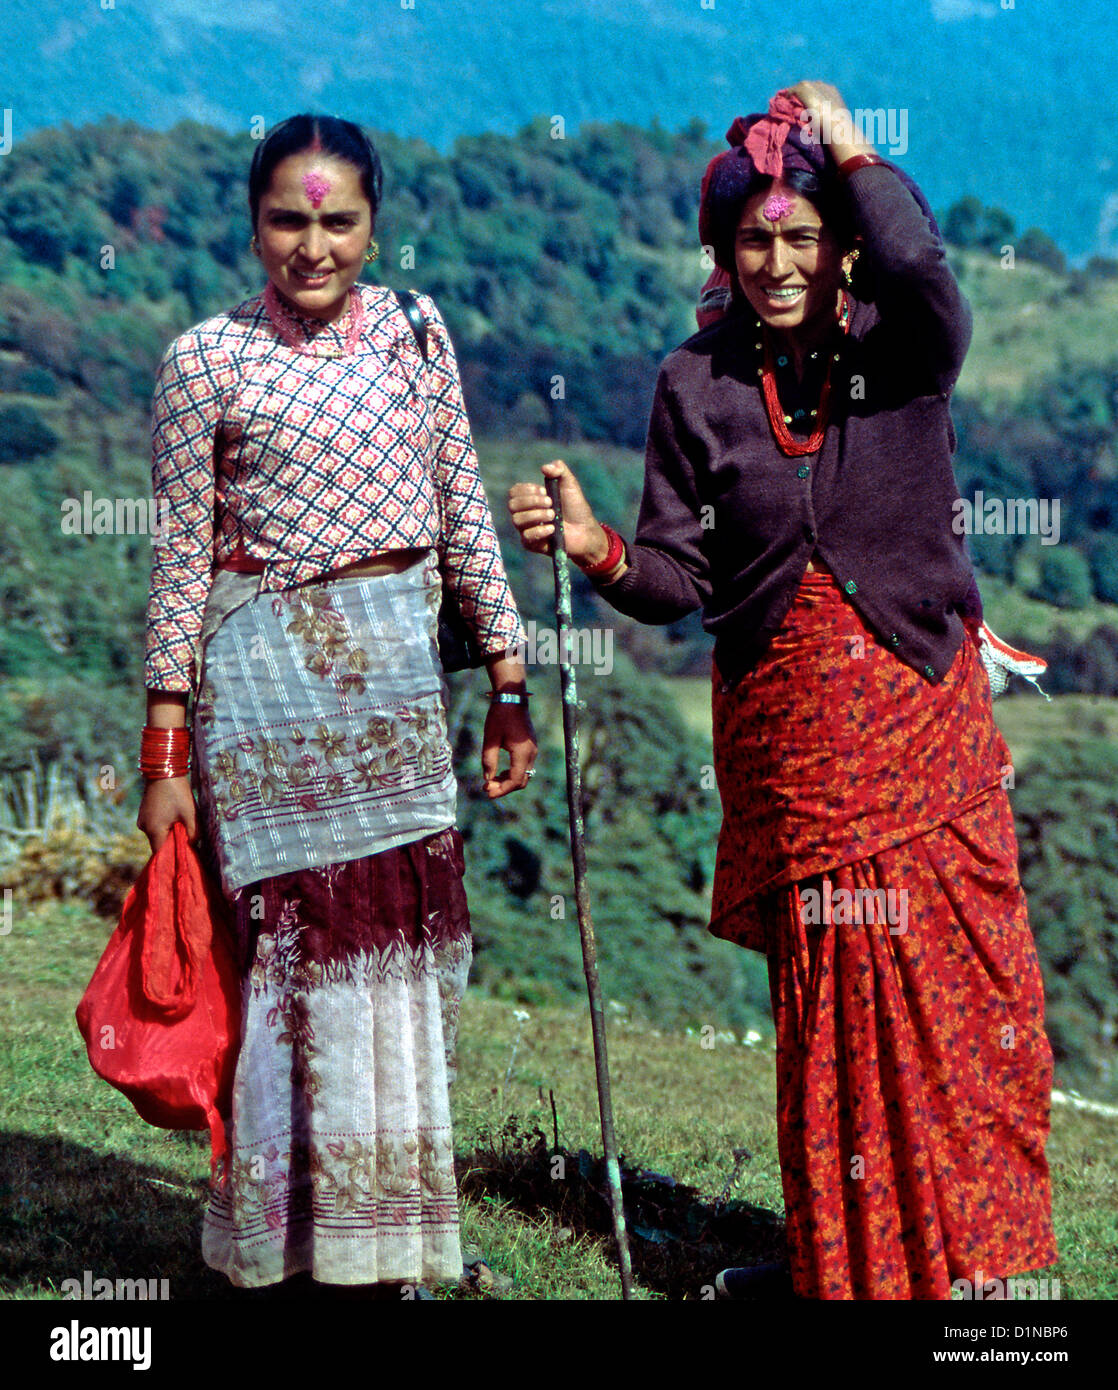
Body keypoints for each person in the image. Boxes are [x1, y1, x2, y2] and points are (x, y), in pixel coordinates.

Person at [508, 82, 1057, 1301]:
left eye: (801, 236)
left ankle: (975, 1274)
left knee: (963, 996)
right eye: (752, 240)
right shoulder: (694, 385)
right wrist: (596, 545)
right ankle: (846, 1266)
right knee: (835, 1016)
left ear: (840, 243)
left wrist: (851, 143)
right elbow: (673, 572)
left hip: (917, 714)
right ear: (722, 250)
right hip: (790, 747)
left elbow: (922, 267)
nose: (774, 262)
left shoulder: (900, 348)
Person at [137, 113, 537, 1293]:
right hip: (263, 693)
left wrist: (508, 678)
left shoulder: (417, 333)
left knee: (404, 953)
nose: (310, 246)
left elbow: (461, 506)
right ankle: (286, 1243)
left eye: (336, 221)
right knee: (294, 960)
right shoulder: (202, 359)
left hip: (401, 679)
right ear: (252, 220)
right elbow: (177, 560)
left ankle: (400, 1244)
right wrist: (163, 742)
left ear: (373, 225)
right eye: (287, 219)